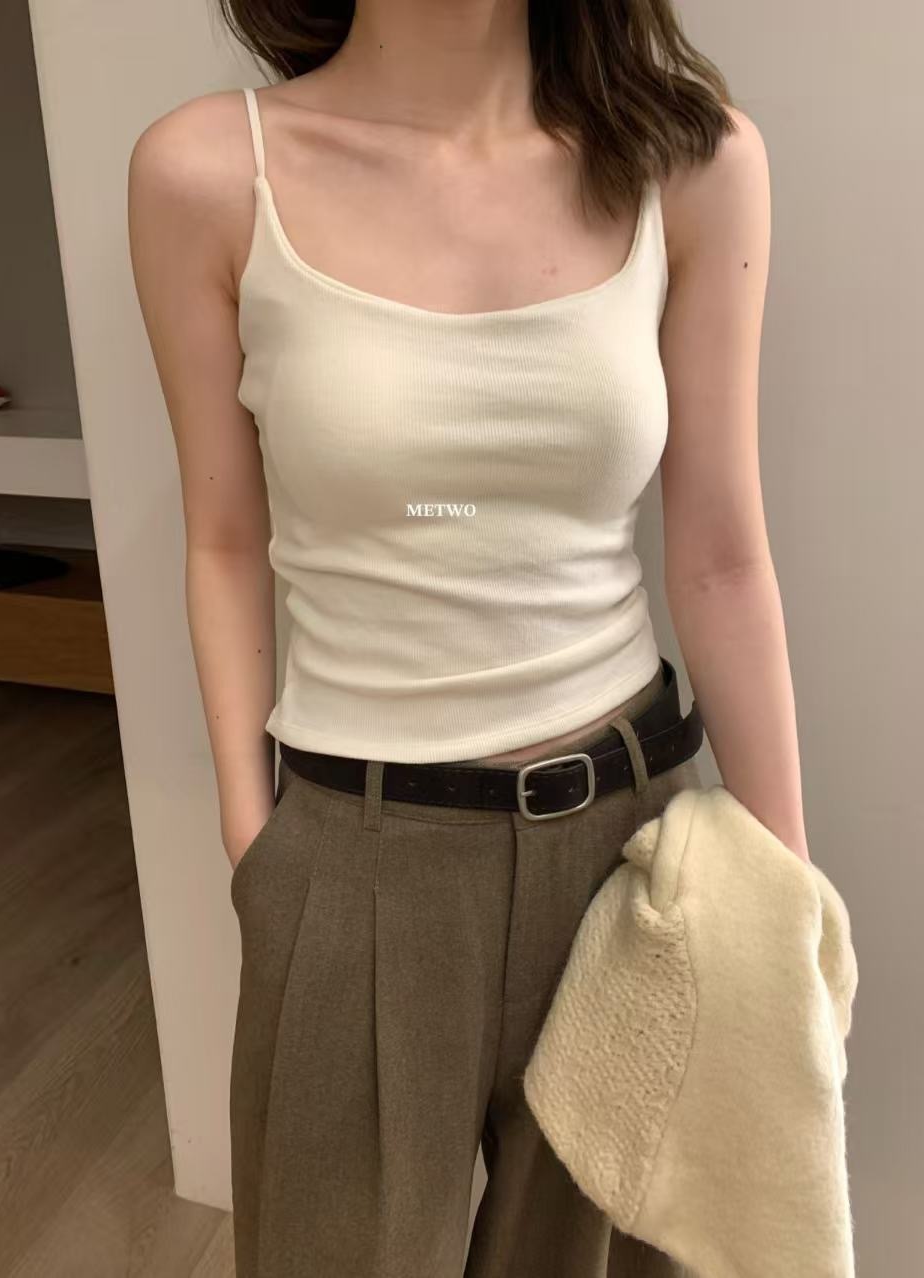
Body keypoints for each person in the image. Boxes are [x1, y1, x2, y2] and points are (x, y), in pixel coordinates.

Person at [128, 2, 808, 1274]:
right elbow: (223, 537)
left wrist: (786, 901)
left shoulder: (692, 159)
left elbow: (720, 554)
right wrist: (254, 844)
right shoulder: (210, 174)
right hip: (355, 856)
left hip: (633, 857)